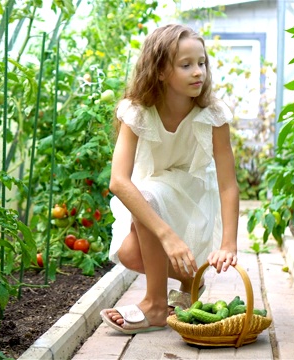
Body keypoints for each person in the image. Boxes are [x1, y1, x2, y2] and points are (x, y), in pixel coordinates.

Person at [99, 24, 240, 335]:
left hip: (194, 194)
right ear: (160, 71)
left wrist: (229, 243)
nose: (197, 72)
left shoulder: (213, 115)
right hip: (149, 193)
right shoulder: (137, 111)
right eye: (185, 65)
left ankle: (156, 304)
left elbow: (228, 184)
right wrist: (167, 236)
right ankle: (190, 281)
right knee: (128, 254)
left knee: (149, 195)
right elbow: (119, 181)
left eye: (201, 63)